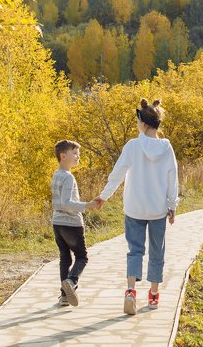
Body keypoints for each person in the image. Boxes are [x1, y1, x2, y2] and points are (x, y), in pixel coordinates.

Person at [97, 99, 179, 316]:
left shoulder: (133, 146)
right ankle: (153, 295)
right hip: (157, 209)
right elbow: (173, 178)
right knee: (156, 251)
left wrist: (104, 196)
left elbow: (117, 175)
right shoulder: (167, 147)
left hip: (134, 208)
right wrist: (172, 206)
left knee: (135, 250)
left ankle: (131, 291)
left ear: (142, 123)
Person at [51, 140, 101, 307]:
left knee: (65, 258)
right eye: (75, 153)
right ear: (63, 156)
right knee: (82, 257)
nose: (78, 156)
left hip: (57, 223)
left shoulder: (56, 175)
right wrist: (87, 205)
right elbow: (66, 202)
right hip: (71, 223)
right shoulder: (68, 177)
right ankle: (71, 282)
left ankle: (64, 297)